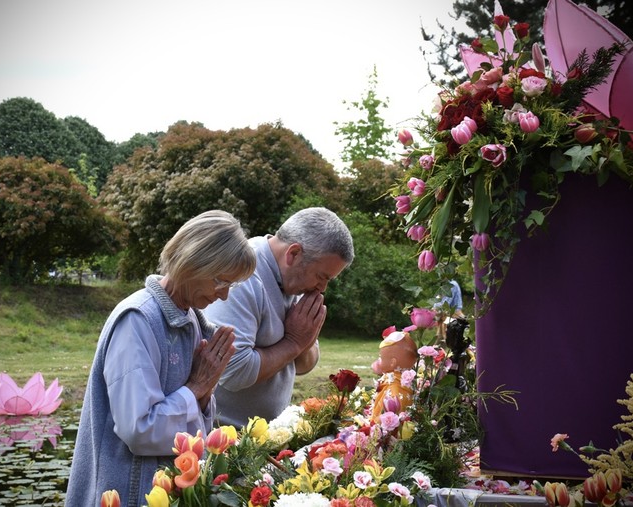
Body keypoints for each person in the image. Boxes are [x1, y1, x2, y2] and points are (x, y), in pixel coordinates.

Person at [66, 210, 256, 507]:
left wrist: (204, 394)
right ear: (194, 262)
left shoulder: (191, 320)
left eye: (231, 285)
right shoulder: (138, 320)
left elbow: (195, 421)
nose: (224, 296)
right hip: (125, 494)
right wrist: (195, 389)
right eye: (221, 281)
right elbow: (138, 430)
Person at [203, 207, 354, 428]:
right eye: (322, 277)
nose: (322, 288)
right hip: (225, 439)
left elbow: (304, 366)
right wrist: (294, 342)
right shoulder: (243, 275)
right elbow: (233, 372)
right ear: (293, 254)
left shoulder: (295, 281)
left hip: (268, 436)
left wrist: (304, 340)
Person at [370, 329, 418, 422]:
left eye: (381, 357)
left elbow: (383, 421)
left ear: (392, 362)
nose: (378, 360)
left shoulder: (393, 389)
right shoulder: (405, 384)